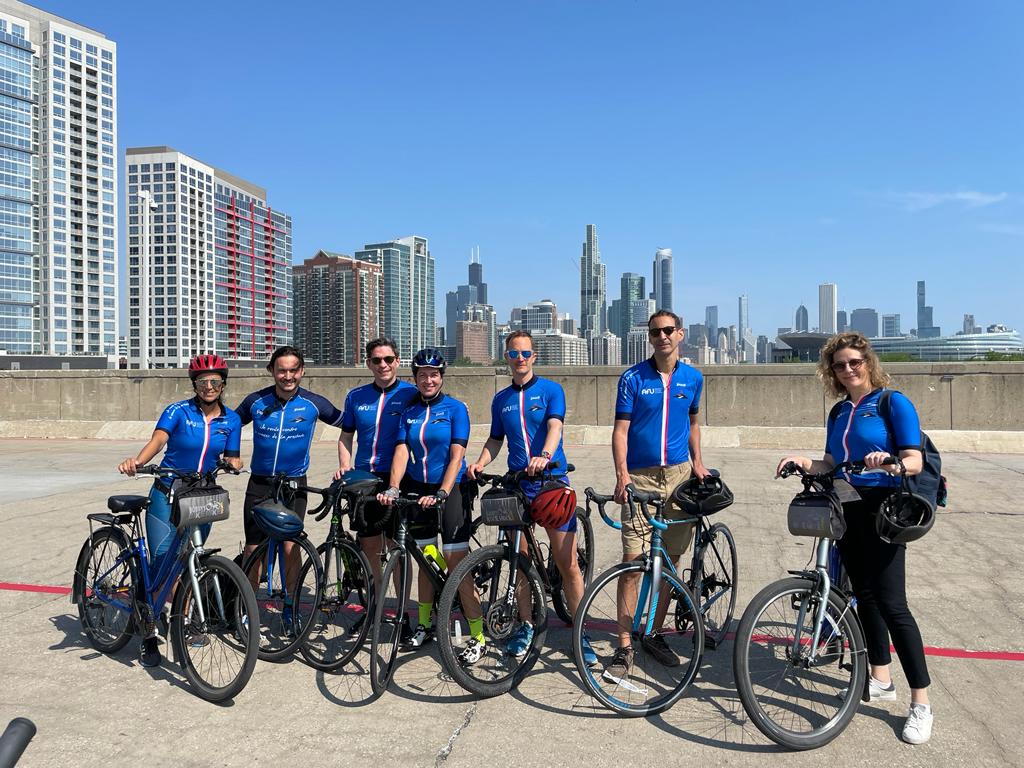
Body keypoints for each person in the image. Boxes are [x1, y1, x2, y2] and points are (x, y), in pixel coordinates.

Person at [777, 331, 933, 744]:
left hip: (883, 510)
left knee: (893, 604)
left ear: (868, 363)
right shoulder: (839, 412)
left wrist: (891, 462)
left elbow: (914, 459)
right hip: (846, 506)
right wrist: (801, 460)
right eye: (839, 365)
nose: (848, 370)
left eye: (854, 362)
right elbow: (831, 461)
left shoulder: (891, 402)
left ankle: (921, 703)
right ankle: (880, 677)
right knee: (863, 594)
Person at [466, 330, 594, 664]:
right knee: (517, 562)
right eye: (512, 354)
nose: (519, 359)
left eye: (524, 354)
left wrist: (545, 454)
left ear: (534, 356)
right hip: (518, 484)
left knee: (568, 566)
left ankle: (582, 633)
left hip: (551, 481)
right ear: (505, 357)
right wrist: (480, 462)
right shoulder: (501, 399)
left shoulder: (551, 390)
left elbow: (555, 426)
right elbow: (496, 440)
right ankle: (526, 624)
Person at [117, 354, 243, 668]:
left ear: (223, 384)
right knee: (163, 560)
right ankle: (148, 627)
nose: (209, 387)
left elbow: (234, 456)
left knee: (192, 558)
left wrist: (235, 463)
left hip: (202, 497)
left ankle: (183, 618)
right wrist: (138, 460)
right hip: (167, 493)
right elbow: (158, 440)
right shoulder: (178, 411)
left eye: (215, 381)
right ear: (194, 385)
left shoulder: (232, 420)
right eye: (203, 382)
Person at [607, 310, 710, 680]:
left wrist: (698, 463)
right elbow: (621, 431)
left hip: (679, 476)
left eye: (668, 331)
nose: (662, 337)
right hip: (641, 476)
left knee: (669, 563)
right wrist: (622, 477)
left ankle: (652, 631)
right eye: (655, 332)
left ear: (680, 334)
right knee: (633, 559)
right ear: (649, 337)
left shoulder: (693, 378)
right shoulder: (633, 377)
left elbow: (693, 424)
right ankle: (623, 644)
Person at [377, 348, 485, 664]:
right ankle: (425, 624)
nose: (428, 380)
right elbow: (400, 451)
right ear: (415, 378)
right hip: (416, 488)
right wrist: (394, 487)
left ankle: (477, 635)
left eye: (434, 374)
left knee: (455, 561)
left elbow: (456, 457)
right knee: (425, 559)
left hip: (449, 490)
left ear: (441, 377)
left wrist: (442, 492)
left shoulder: (454, 409)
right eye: (422, 375)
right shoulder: (409, 410)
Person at [235, 346, 344, 615]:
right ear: (271, 370)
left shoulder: (313, 403)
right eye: (281, 370)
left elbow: (350, 424)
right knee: (253, 547)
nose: (287, 376)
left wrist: (351, 463)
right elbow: (227, 425)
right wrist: (230, 454)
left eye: (293, 370)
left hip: (295, 483)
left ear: (302, 371)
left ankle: (291, 605)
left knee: (290, 545)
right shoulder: (255, 402)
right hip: (260, 482)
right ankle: (248, 609)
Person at [336, 338, 417, 621]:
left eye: (388, 359)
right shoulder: (356, 396)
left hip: (398, 477)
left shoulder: (412, 393)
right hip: (364, 478)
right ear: (368, 363)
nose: (383, 365)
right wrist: (346, 468)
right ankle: (376, 607)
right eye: (376, 360)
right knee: (369, 546)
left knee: (398, 547)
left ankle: (402, 612)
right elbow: (346, 436)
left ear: (397, 361)